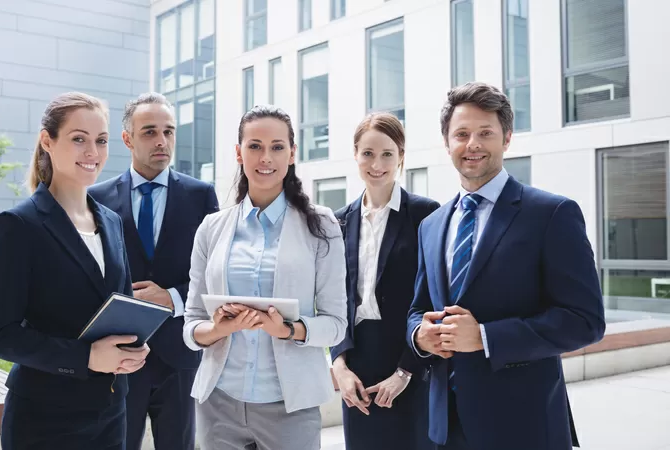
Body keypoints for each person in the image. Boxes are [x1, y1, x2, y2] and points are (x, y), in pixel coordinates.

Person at [406, 82, 606, 450]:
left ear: (507, 138)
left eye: (486, 133)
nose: (473, 145)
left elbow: (586, 322)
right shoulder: (431, 225)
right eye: (461, 134)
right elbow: (418, 309)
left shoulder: (551, 214)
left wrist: (484, 337)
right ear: (446, 142)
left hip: (524, 424)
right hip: (444, 426)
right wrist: (419, 334)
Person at [0, 92, 151, 450]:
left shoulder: (112, 222)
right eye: (79, 139)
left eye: (101, 141)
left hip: (110, 412)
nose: (93, 152)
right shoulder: (19, 225)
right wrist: (88, 357)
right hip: (44, 420)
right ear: (48, 141)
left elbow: (123, 305)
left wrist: (134, 345)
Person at [182, 105, 348, 450]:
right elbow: (191, 323)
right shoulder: (212, 228)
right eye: (254, 146)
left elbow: (336, 324)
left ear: (292, 154)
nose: (265, 157)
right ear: (238, 153)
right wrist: (217, 330)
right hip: (218, 402)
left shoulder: (322, 224)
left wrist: (288, 330)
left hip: (290, 404)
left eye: (276, 147)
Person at [88, 92, 219, 450]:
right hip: (121, 353)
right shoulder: (96, 199)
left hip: (180, 355)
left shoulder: (201, 195)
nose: (162, 141)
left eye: (168, 131)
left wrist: (172, 298)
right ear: (128, 139)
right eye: (149, 132)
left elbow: (214, 273)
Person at [331, 112, 439, 450]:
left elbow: (434, 299)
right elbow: (333, 298)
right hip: (357, 363)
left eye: (387, 154)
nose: (376, 164)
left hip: (409, 358)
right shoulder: (339, 222)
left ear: (401, 158)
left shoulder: (426, 214)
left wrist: (406, 372)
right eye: (368, 153)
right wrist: (339, 365)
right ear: (356, 155)